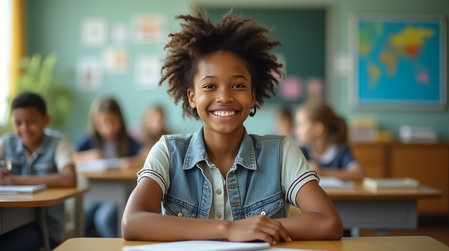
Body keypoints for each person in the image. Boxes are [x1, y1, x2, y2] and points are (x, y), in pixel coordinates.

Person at [121, 10, 342, 245]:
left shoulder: (281, 152)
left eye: (238, 85)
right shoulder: (168, 151)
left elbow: (328, 222)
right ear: (192, 97)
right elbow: (132, 222)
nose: (224, 97)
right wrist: (229, 229)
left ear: (252, 95)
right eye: (210, 86)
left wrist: (258, 228)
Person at [0, 91, 77, 250]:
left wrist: (15, 181)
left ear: (45, 120)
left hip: (44, 227)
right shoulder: (6, 142)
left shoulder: (58, 142)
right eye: (18, 123)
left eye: (32, 121)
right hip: (6, 220)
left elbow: (70, 178)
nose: (24, 128)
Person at [74, 96, 141, 237]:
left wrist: (131, 162)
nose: (108, 128)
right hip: (94, 194)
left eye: (112, 122)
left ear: (121, 121)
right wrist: (88, 156)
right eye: (103, 123)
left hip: (120, 195)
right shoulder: (90, 139)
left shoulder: (127, 141)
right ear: (95, 123)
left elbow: (147, 154)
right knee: (84, 214)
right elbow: (70, 156)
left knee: (104, 218)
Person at [295, 101, 365, 182]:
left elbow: (359, 174)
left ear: (318, 128)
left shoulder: (341, 151)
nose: (297, 131)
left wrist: (321, 172)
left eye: (301, 124)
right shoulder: (300, 151)